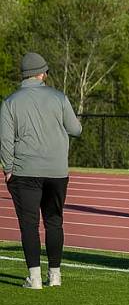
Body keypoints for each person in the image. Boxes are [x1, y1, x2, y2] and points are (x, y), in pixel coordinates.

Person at [0, 52, 82, 289]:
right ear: (41, 73)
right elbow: (75, 130)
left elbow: (5, 140)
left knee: (29, 224)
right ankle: (55, 275)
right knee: (54, 221)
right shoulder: (58, 97)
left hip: (25, 171)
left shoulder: (10, 102)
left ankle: (34, 277)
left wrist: (8, 168)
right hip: (57, 170)